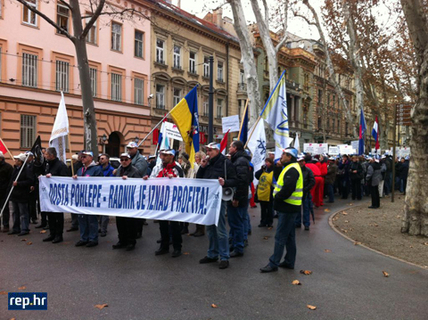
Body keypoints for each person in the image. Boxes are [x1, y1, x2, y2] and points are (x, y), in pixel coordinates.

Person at [260, 148, 303, 273]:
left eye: (284, 154)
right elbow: (281, 180)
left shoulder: (292, 169)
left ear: (289, 157)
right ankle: (289, 261)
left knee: (280, 236)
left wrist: (277, 197)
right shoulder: (290, 167)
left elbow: (288, 188)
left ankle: (274, 263)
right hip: (290, 206)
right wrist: (278, 167)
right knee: (289, 236)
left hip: (288, 206)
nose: (281, 156)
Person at [197, 142, 238, 269]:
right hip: (208, 200)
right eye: (207, 150)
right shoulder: (207, 163)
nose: (208, 153)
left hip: (219, 200)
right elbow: (199, 179)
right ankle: (212, 254)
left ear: (217, 150)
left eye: (210, 150)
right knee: (210, 228)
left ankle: (224, 256)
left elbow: (235, 180)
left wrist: (225, 182)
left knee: (220, 229)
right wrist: (202, 167)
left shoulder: (226, 163)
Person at [145, 149, 184, 257]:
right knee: (162, 225)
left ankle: (177, 247)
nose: (162, 157)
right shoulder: (158, 167)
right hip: (161, 199)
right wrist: (147, 179)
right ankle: (164, 246)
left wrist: (174, 179)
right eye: (162, 155)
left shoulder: (177, 168)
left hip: (173, 201)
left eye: (165, 155)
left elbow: (183, 183)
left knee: (174, 225)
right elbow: (152, 178)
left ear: (171, 156)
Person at [73, 151, 103, 247]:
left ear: (91, 157)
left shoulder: (96, 169)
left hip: (91, 199)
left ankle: (93, 239)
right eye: (81, 157)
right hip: (81, 198)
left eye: (84, 156)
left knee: (91, 219)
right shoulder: (80, 170)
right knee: (81, 218)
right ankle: (84, 238)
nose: (82, 158)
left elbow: (100, 183)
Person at [113, 153, 142, 251]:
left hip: (130, 201)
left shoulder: (135, 171)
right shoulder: (119, 170)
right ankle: (121, 240)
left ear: (130, 160)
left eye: (126, 159)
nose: (124, 162)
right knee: (120, 222)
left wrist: (129, 180)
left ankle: (131, 242)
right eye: (122, 160)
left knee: (130, 223)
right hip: (120, 200)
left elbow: (139, 184)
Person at [227, 140, 252, 257]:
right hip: (239, 195)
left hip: (238, 197)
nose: (228, 148)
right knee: (236, 222)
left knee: (237, 223)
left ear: (235, 148)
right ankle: (236, 244)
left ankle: (238, 247)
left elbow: (242, 181)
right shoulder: (239, 159)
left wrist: (236, 198)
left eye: (230, 146)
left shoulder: (240, 161)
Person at [42, 147, 69, 243]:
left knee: (58, 216)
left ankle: (59, 235)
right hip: (49, 195)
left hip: (58, 195)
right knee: (50, 215)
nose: (44, 156)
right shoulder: (48, 164)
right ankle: (52, 233)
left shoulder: (61, 165)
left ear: (51, 155)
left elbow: (65, 179)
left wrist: (53, 176)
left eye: (46, 154)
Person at [127, 142, 149, 239]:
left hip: (138, 187)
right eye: (128, 148)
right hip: (130, 187)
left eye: (131, 148)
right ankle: (131, 230)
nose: (129, 150)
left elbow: (138, 171)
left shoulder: (141, 159)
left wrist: (128, 166)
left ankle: (138, 231)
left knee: (138, 211)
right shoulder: (129, 158)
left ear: (136, 149)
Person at [8, 153, 33, 236]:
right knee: (15, 212)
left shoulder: (26, 170)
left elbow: (30, 181)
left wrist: (18, 183)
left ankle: (25, 228)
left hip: (22, 194)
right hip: (14, 194)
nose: (15, 161)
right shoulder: (15, 169)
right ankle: (16, 228)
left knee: (23, 213)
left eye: (17, 160)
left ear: (21, 162)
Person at [295, 154, 315, 230]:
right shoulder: (296, 171)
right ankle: (297, 223)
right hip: (297, 193)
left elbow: (312, 181)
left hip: (305, 193)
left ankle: (306, 224)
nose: (301, 163)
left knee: (306, 208)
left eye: (302, 161)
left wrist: (306, 189)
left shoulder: (308, 170)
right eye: (300, 161)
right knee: (297, 208)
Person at [98, 153, 115, 237]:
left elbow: (110, 181)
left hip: (106, 193)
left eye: (103, 158)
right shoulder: (98, 169)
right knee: (98, 212)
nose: (101, 160)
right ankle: (99, 227)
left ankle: (103, 229)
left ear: (107, 160)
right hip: (99, 193)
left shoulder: (111, 170)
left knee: (104, 212)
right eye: (100, 158)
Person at [255, 158, 274, 228]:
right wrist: (261, 170)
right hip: (262, 193)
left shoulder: (273, 171)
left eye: (268, 162)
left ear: (271, 163)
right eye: (266, 162)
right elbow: (256, 176)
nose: (266, 163)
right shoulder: (263, 171)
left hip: (269, 194)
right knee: (263, 209)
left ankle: (269, 222)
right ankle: (263, 221)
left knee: (269, 209)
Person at [67, 152, 83, 232]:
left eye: (73, 159)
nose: (72, 161)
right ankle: (74, 223)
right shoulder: (71, 166)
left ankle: (77, 223)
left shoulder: (79, 166)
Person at [191, 151, 205, 237]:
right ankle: (197, 228)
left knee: (200, 210)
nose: (195, 158)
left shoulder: (200, 166)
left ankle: (201, 229)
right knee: (196, 210)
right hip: (195, 188)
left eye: (197, 157)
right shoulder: (195, 165)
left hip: (201, 189)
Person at [0, 151, 13, 233]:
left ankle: (6, 225)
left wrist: (8, 190)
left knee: (4, 209)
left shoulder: (8, 167)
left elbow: (10, 180)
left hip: (4, 191)